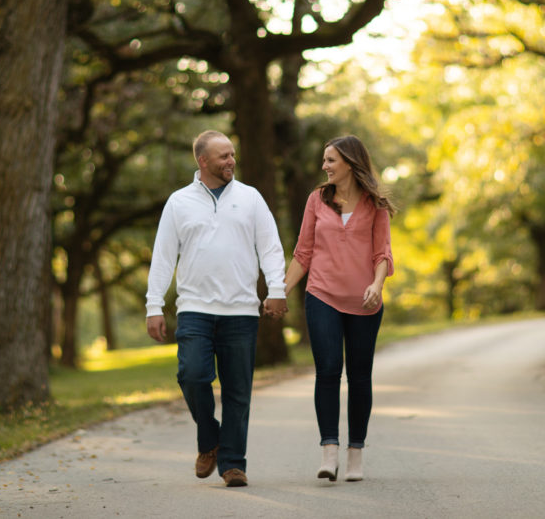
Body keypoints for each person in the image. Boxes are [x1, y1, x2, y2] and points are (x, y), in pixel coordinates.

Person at [146, 130, 287, 488]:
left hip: (241, 310)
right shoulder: (179, 203)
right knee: (192, 375)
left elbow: (270, 248)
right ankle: (210, 439)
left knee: (238, 391)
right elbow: (163, 257)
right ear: (202, 161)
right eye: (223, 156)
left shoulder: (251, 198)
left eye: (232, 154)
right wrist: (154, 305)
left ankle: (233, 464)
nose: (231, 161)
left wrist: (277, 289)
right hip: (194, 308)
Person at [266, 134, 395, 483]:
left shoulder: (375, 204)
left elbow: (383, 253)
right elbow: (303, 253)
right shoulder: (316, 200)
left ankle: (356, 452)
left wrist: (376, 284)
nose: (324, 167)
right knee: (327, 369)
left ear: (350, 164)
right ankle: (329, 450)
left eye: (330, 160)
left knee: (359, 376)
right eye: (324, 160)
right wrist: (277, 290)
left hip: (364, 301)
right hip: (322, 294)